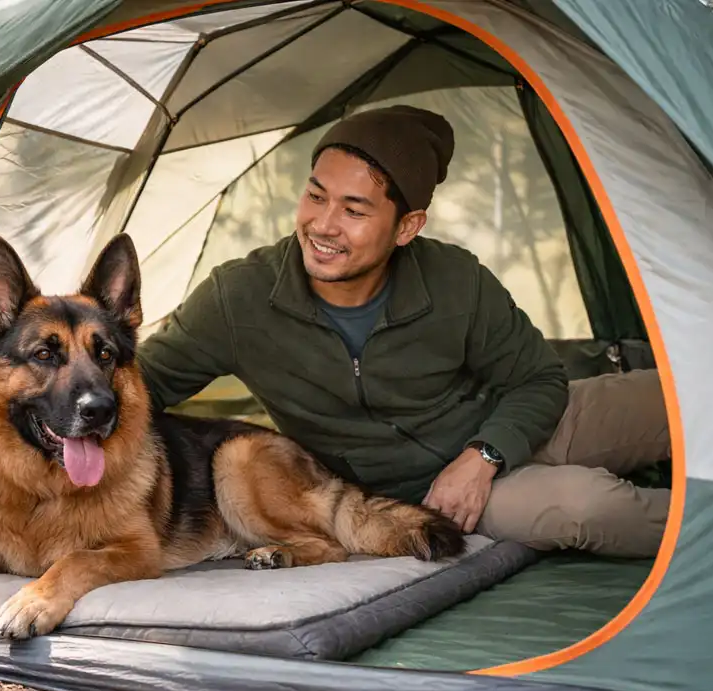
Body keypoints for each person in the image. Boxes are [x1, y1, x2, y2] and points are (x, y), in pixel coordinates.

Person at [136, 105, 670, 558]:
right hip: (433, 494)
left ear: (407, 227)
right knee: (590, 508)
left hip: (526, 426)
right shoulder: (239, 297)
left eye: (354, 209)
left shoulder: (456, 278)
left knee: (683, 403)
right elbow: (137, 386)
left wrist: (483, 455)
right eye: (316, 196)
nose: (323, 225)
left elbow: (538, 379)